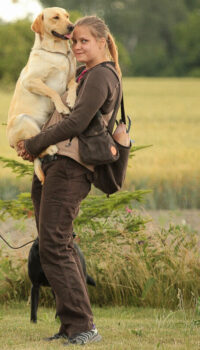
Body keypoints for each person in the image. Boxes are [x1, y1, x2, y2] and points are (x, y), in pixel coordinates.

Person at [17, 15, 122, 346]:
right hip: (54, 164)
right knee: (52, 246)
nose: (76, 45)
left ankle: (83, 326)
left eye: (84, 41)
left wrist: (34, 144)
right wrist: (36, 146)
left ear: (102, 42)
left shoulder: (103, 76)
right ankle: (70, 325)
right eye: (73, 40)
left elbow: (77, 121)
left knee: (55, 245)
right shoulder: (84, 74)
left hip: (71, 168)